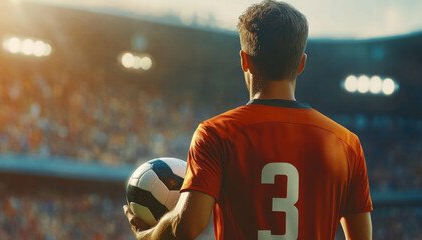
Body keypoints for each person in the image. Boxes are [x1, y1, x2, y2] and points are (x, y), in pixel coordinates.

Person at [123, 1, 373, 239]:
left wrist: (148, 236)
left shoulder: (215, 133)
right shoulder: (347, 143)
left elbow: (188, 226)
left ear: (244, 60)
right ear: (301, 64)